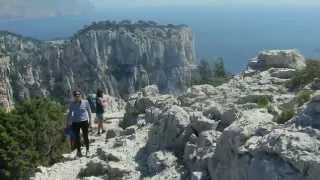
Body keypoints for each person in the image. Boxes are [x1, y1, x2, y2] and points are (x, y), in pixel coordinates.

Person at [66, 90, 92, 157]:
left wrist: (90, 121)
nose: (77, 96)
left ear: (80, 95)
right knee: (76, 138)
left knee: (85, 136)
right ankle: (79, 152)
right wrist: (68, 123)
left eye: (78, 94)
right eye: (75, 95)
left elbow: (89, 112)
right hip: (75, 123)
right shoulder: (72, 105)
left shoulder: (86, 102)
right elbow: (70, 113)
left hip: (84, 121)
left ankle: (87, 150)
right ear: (74, 96)